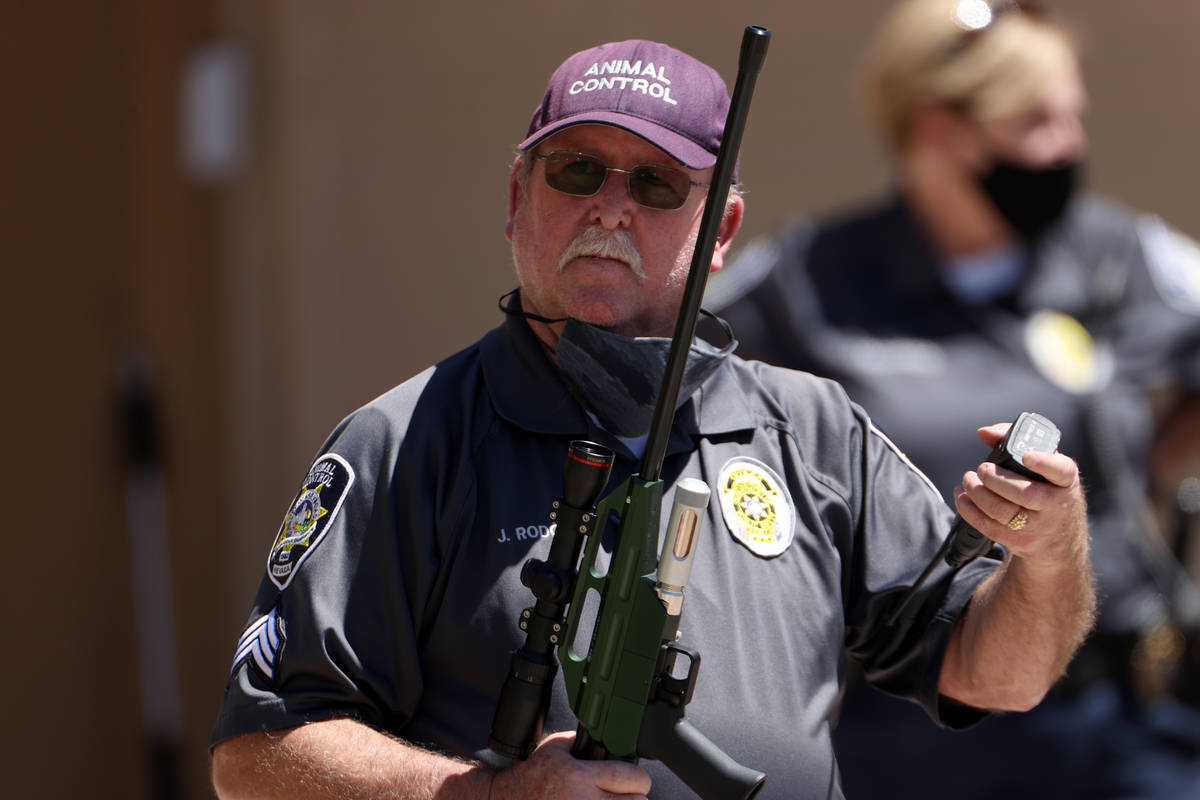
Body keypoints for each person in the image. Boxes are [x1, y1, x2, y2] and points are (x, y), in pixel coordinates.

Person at [209, 36, 1095, 800]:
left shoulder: (812, 428)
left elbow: (993, 673)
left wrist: (1049, 554)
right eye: (577, 170)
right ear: (517, 199)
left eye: (660, 184)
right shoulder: (406, 442)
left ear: (722, 231)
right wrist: (476, 792)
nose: (610, 206)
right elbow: (255, 757)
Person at [705, 1, 1200, 797]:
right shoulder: (811, 280)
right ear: (941, 130)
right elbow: (661, 363)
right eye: (1038, 120)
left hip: (1120, 729)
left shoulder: (1119, 255)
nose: (1071, 145)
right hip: (915, 734)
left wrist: (1149, 468)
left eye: (1075, 115)